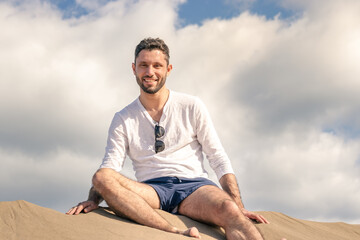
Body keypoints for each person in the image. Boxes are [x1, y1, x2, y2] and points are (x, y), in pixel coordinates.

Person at [67, 37, 269, 240]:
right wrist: (92, 199)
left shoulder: (191, 105)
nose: (150, 72)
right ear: (134, 68)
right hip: (151, 191)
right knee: (101, 177)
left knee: (228, 209)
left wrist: (238, 205)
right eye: (143, 65)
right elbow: (110, 166)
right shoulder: (123, 118)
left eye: (157, 66)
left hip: (195, 187)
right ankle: (175, 232)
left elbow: (217, 158)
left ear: (168, 69)